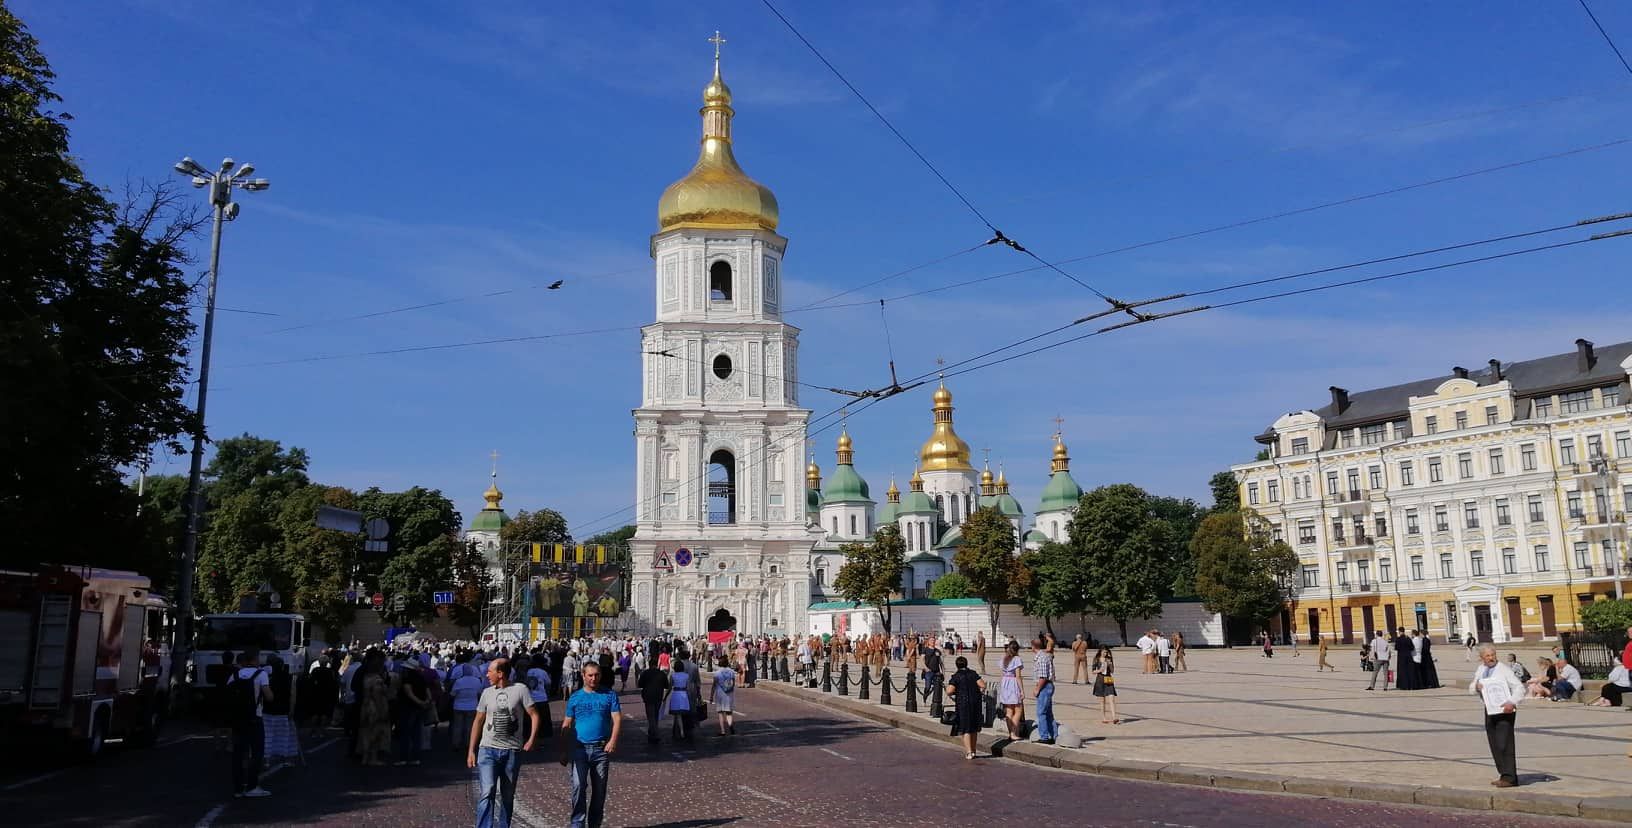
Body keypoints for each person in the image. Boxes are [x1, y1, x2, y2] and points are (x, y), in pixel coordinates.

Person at [470, 657, 541, 828]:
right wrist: (471, 749)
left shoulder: (520, 690)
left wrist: (531, 739)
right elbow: (478, 721)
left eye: (490, 671)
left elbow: (534, 714)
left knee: (508, 795)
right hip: (487, 750)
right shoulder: (487, 692)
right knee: (487, 791)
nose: (487, 674)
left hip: (511, 750)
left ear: (500, 673)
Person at [559, 662, 621, 828]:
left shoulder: (609, 695)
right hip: (580, 749)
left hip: (601, 750)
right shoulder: (576, 697)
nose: (594, 678)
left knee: (599, 791)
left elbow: (616, 719)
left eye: (597, 675)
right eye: (590, 675)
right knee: (578, 787)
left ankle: (594, 824)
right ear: (583, 675)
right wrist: (564, 751)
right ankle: (577, 823)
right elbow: (567, 723)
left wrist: (613, 740)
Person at [1470, 643, 1525, 788]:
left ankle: (1510, 777)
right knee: (1494, 743)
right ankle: (1503, 774)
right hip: (1490, 709)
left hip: (1505, 710)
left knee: (1504, 743)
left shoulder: (1504, 670)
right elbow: (1472, 686)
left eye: (1493, 655)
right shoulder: (1481, 669)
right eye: (1487, 656)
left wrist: (1512, 702)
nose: (1491, 658)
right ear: (1481, 657)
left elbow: (1519, 687)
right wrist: (1476, 687)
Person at [228, 648, 274, 798]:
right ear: (255, 659)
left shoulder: (234, 675)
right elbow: (269, 697)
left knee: (238, 753)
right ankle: (252, 785)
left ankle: (238, 788)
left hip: (237, 719)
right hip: (255, 718)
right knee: (256, 753)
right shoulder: (261, 674)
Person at [262, 656, 302, 766]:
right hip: (283, 710)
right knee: (285, 736)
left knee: (268, 736)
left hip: (268, 710)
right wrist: (292, 709)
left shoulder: (265, 677)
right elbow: (292, 695)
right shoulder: (289, 677)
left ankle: (267, 760)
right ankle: (286, 759)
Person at [946, 656, 986, 759]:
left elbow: (949, 691)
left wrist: (954, 692)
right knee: (974, 727)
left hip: (963, 704)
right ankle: (973, 750)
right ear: (966, 663)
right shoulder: (973, 673)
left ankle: (968, 752)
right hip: (975, 703)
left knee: (965, 728)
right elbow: (982, 684)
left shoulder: (956, 676)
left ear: (957, 665)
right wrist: (979, 691)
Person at [449, 661, 484, 753]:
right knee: (470, 726)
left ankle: (456, 743)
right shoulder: (476, 681)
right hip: (472, 706)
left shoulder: (458, 681)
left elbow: (453, 694)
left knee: (457, 726)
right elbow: (480, 693)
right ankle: (468, 743)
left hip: (458, 706)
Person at [636, 661, 669, 745]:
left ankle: (654, 733)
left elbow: (639, 684)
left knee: (651, 716)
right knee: (655, 715)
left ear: (650, 665)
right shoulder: (662, 674)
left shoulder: (645, 673)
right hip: (658, 696)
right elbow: (667, 685)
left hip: (648, 697)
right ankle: (652, 732)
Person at [1031, 636, 1056, 744]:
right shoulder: (1044, 656)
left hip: (1044, 687)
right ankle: (1054, 735)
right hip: (1048, 685)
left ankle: (1044, 736)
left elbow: (1043, 676)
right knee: (1048, 713)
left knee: (1041, 712)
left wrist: (1037, 689)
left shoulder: (1041, 658)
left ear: (1033, 647)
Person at [998, 641, 1024, 739]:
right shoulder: (1016, 659)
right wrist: (1022, 690)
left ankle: (1011, 733)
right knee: (1018, 710)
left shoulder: (1004, 658)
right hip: (1013, 684)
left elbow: (1002, 672)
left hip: (1005, 683)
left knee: (1009, 711)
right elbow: (1018, 676)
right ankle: (1013, 732)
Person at [665, 656, 694, 742]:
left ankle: (680, 731)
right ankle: (680, 731)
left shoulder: (673, 676)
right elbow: (689, 687)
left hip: (676, 694)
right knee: (682, 713)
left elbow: (669, 688)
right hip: (684, 694)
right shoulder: (686, 676)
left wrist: (665, 697)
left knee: (677, 714)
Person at [1091, 646, 1119, 724]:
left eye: (1106, 652)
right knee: (1102, 700)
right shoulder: (1096, 659)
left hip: (1108, 679)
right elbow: (1093, 671)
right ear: (1100, 652)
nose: (1105, 653)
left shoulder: (1109, 659)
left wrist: (1110, 665)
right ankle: (1104, 717)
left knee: (1111, 698)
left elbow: (1113, 671)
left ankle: (1114, 717)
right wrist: (1099, 670)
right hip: (1100, 680)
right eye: (1104, 652)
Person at [711, 656, 737, 737]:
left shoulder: (717, 673)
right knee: (729, 712)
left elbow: (714, 685)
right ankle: (730, 725)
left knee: (720, 713)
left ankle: (723, 731)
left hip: (720, 694)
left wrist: (711, 696)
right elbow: (733, 683)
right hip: (729, 694)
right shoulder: (731, 672)